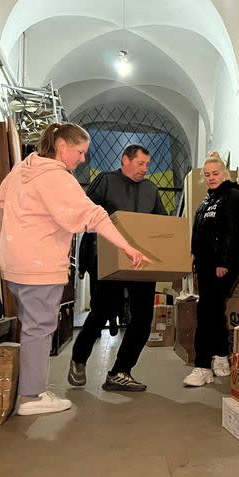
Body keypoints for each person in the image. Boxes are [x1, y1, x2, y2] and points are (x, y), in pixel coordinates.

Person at [0, 123, 147, 416]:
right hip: (40, 265)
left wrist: (20, 230)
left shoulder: (24, 169)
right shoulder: (56, 177)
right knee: (39, 329)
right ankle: (31, 396)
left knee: (32, 327)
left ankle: (31, 389)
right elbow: (93, 215)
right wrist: (128, 247)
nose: (83, 159)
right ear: (62, 147)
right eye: (80, 151)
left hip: (15, 264)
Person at [69, 144, 167, 392]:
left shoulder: (150, 190)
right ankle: (79, 358)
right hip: (110, 258)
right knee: (102, 311)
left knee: (143, 318)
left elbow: (163, 223)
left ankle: (121, 371)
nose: (144, 169)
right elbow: (87, 213)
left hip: (140, 262)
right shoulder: (106, 181)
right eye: (140, 163)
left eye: (147, 164)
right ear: (125, 159)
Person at [183, 151, 239, 387]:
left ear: (225, 173)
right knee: (213, 310)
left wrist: (224, 262)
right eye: (207, 175)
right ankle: (221, 357)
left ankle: (202, 366)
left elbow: (235, 233)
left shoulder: (233, 198)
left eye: (215, 173)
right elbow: (198, 234)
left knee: (206, 311)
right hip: (204, 265)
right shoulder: (206, 202)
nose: (211, 177)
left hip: (221, 266)